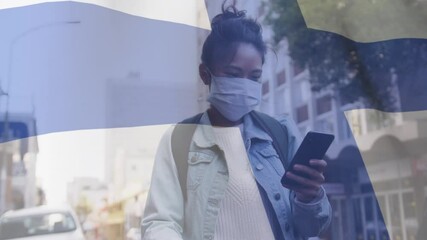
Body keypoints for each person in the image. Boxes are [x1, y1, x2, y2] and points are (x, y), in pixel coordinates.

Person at [141, 2, 331, 240]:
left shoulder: (279, 134)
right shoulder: (179, 139)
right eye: (233, 74)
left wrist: (309, 197)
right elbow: (161, 222)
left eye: (254, 76)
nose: (244, 84)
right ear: (205, 74)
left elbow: (311, 229)